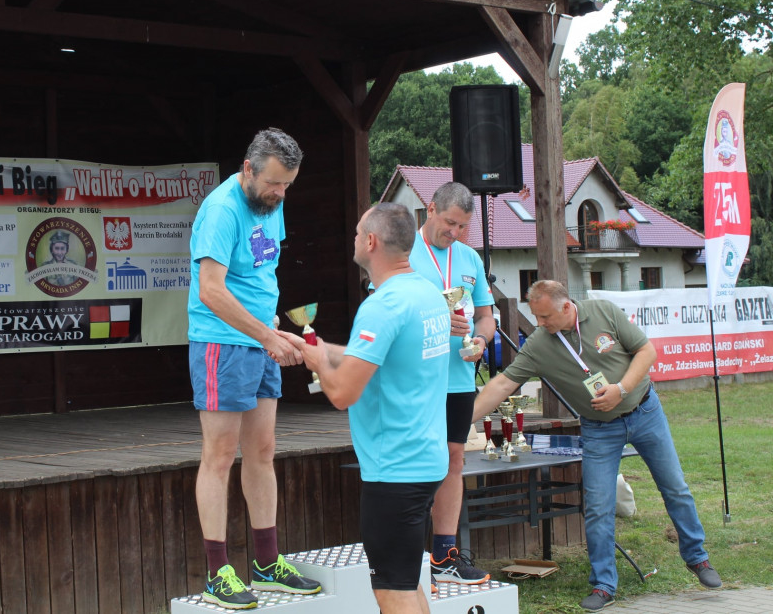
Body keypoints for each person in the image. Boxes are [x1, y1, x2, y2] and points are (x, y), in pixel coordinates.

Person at [472, 280, 722, 611]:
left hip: (645, 411)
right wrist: (462, 421)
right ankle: (604, 584)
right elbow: (503, 383)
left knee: (675, 487)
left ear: (566, 307)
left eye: (545, 317)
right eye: (536, 317)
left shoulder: (603, 311)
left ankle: (697, 558)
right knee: (598, 506)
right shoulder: (538, 344)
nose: (540, 324)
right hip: (599, 429)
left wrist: (622, 387)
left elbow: (646, 351)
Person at [279, 203, 451, 614]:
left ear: (371, 242)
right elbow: (371, 356)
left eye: (357, 233)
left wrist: (318, 361)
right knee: (406, 583)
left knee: (393, 592)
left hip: (395, 466)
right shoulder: (425, 292)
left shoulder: (382, 305)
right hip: (424, 457)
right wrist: (309, 347)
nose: (354, 239)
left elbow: (341, 393)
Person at [187, 127, 321, 609]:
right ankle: (218, 571)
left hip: (260, 339)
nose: (281, 193)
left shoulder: (271, 201)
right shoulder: (223, 210)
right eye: (274, 183)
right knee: (219, 456)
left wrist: (277, 330)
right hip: (222, 344)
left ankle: (266, 562)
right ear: (248, 168)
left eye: (288, 184)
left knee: (262, 450)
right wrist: (265, 336)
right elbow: (212, 290)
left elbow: (262, 274)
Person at [411, 182, 496, 584]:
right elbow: (384, 313)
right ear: (430, 209)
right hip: (414, 378)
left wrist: (481, 339)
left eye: (462, 226)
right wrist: (435, 322)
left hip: (458, 378)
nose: (455, 233)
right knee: (417, 463)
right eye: (449, 223)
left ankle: (445, 556)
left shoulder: (469, 258)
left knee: (454, 460)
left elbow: (485, 316)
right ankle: (407, 551)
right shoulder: (402, 251)